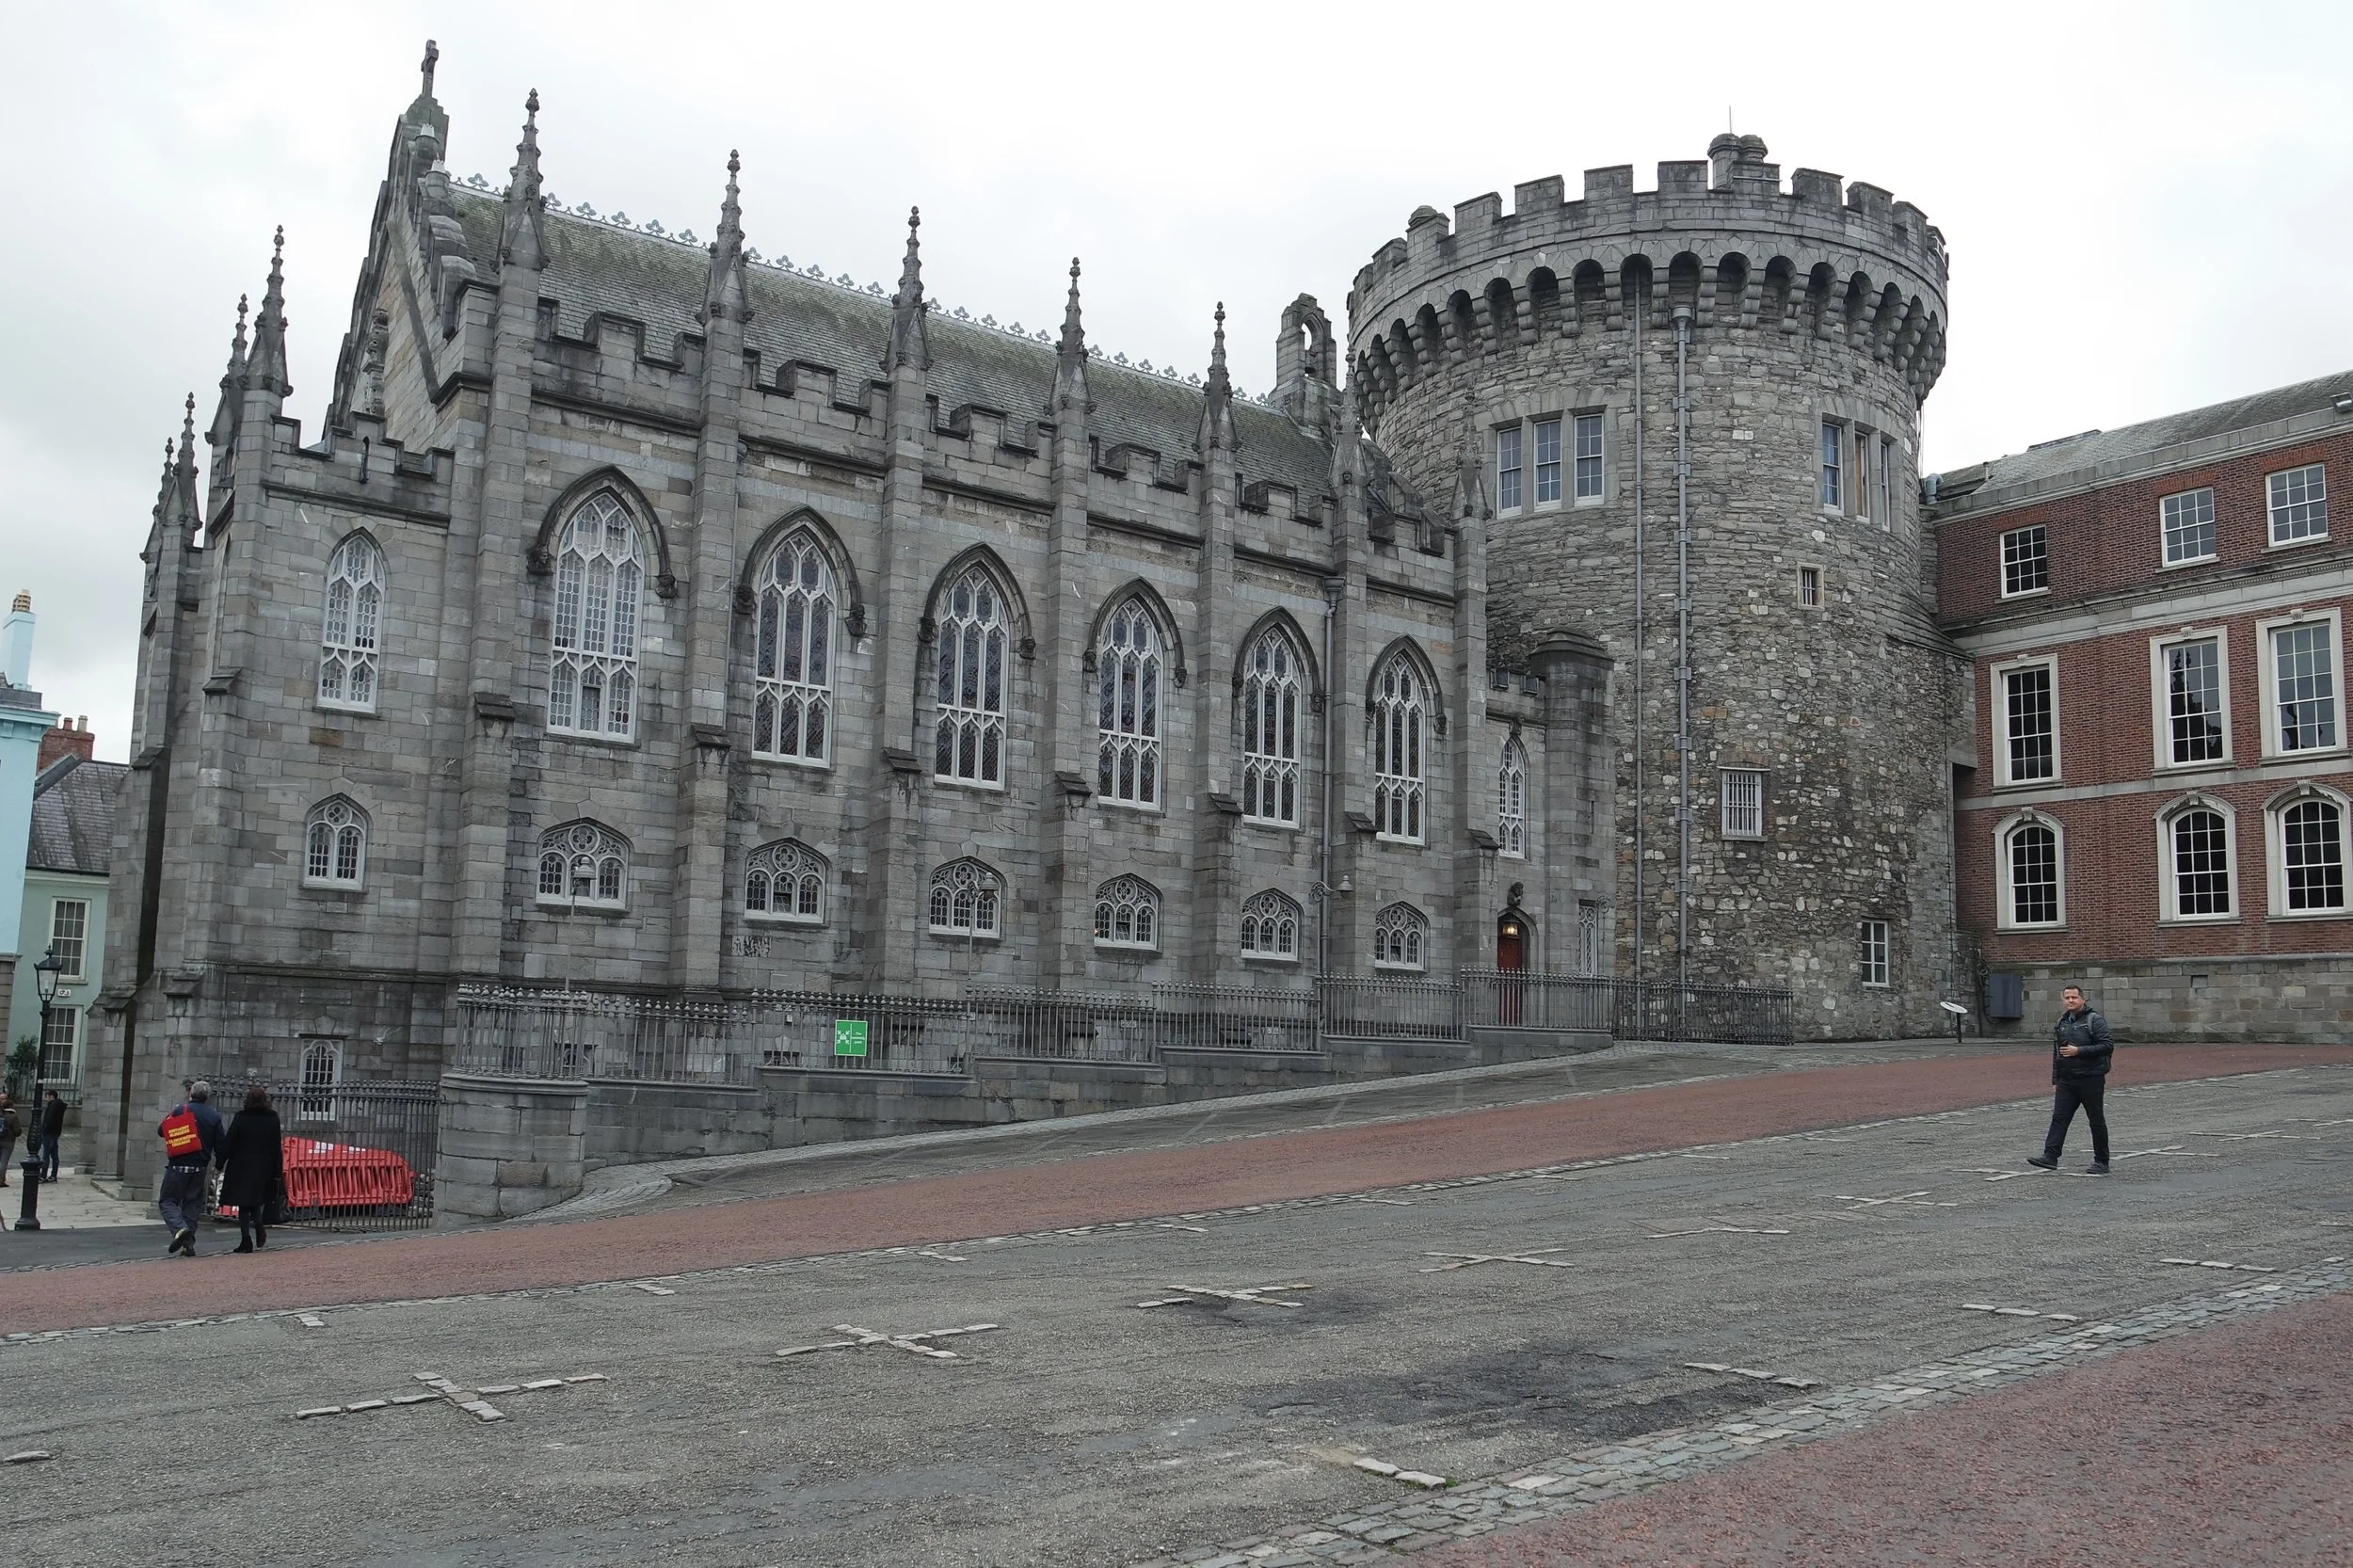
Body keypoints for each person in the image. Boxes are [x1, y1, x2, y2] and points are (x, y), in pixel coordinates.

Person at [2028, 984, 2114, 1174]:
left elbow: (2107, 1046)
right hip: (2067, 1080)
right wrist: (2056, 1080)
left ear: (2083, 999)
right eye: (2067, 997)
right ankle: (2050, 1156)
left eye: (2074, 997)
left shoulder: (2095, 1020)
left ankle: (2102, 1161)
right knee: (2059, 1118)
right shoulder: (2061, 1022)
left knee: (2096, 1120)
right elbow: (2057, 1054)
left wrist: (2079, 1051)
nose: (2070, 1001)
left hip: (2091, 1078)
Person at [158, 1080, 226, 1256]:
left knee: (167, 1201)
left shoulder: (180, 1110)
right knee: (192, 1204)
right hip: (200, 1167)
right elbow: (221, 1146)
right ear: (207, 1098)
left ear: (191, 1094)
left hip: (178, 1165)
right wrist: (218, 1167)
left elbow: (161, 1130)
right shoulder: (214, 1116)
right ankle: (188, 1245)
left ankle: (179, 1228)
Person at [216, 1084, 285, 1254]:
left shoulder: (242, 1117)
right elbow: (276, 1147)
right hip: (265, 1166)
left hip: (242, 1165)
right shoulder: (272, 1118)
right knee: (253, 1200)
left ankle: (246, 1238)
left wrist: (219, 1162)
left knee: (244, 1203)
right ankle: (259, 1227)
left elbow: (229, 1141)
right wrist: (277, 1170)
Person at [38, 1091, 64, 1182]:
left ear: (51, 1096)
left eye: (47, 1096)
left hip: (48, 1133)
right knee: (54, 1155)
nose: (46, 1099)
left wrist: (44, 1130)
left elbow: (49, 1120)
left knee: (45, 1155)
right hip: (55, 1132)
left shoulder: (53, 1106)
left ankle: (43, 1175)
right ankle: (53, 1175)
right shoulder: (59, 1106)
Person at [0, 1092, 18, 1188]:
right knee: (4, 1161)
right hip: (8, 1141)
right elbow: (17, 1130)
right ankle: (1, 1180)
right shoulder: (13, 1116)